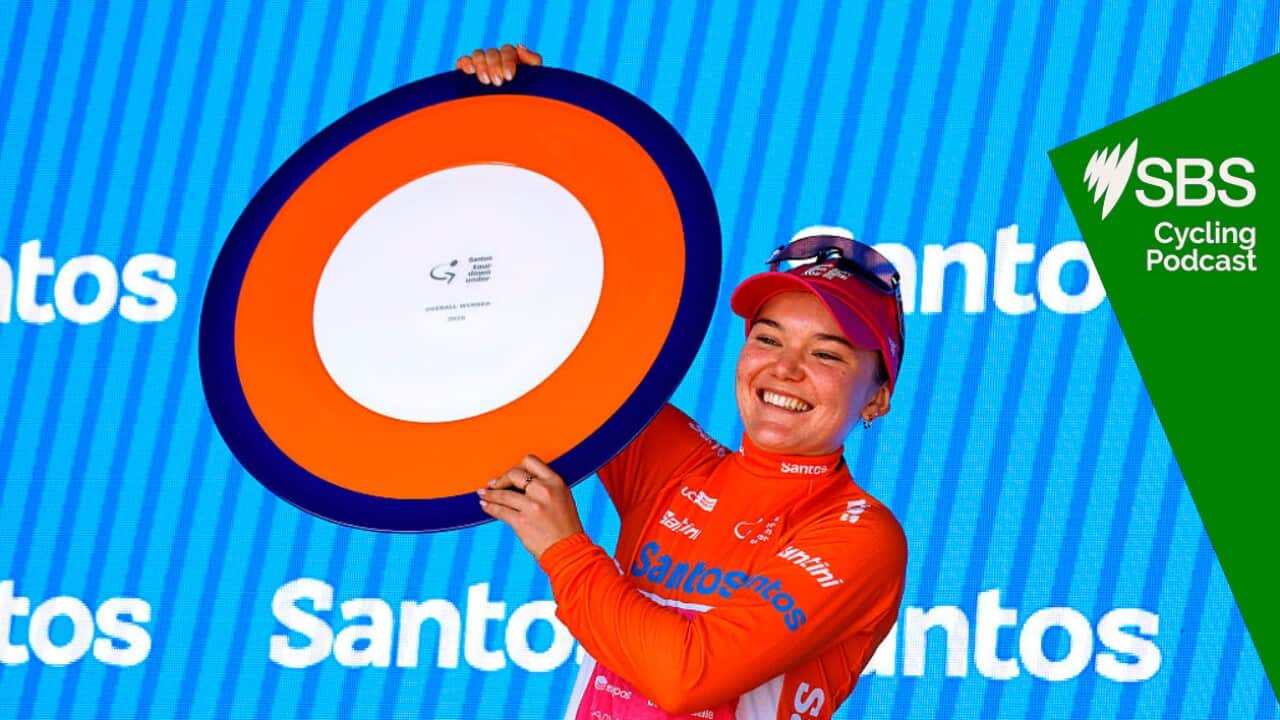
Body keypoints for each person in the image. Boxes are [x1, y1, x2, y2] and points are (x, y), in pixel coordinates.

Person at [465, 45, 908, 720]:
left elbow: (685, 676)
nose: (785, 369)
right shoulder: (676, 461)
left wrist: (562, 546)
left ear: (876, 397)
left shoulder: (859, 535)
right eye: (767, 339)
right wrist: (511, 119)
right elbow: (543, 333)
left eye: (828, 354)